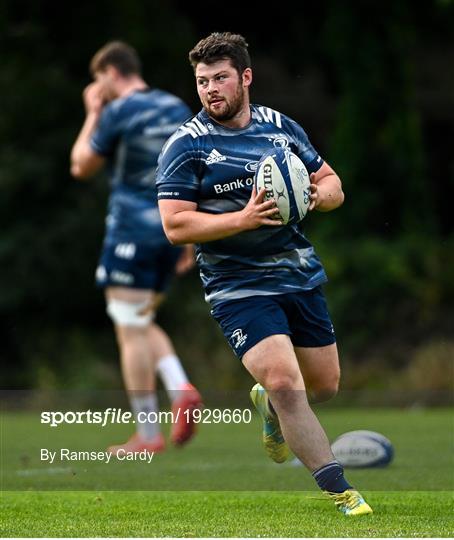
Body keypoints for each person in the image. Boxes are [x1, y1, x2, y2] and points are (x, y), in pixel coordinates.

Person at [156, 32, 372, 516]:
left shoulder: (281, 127)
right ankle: (342, 491)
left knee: (325, 387)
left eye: (220, 78)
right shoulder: (185, 145)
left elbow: (331, 181)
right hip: (236, 285)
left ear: (245, 77)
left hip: (297, 273)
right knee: (282, 379)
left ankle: (271, 411)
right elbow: (174, 225)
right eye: (202, 81)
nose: (210, 89)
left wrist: (317, 196)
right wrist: (242, 220)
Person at [70, 40, 202, 454]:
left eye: (98, 80)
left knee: (129, 329)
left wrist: (93, 112)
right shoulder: (177, 108)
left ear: (110, 72)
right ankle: (180, 388)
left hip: (130, 232)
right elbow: (195, 170)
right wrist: (191, 236)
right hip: (172, 229)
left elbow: (80, 165)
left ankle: (147, 435)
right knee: (141, 319)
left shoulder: (118, 110)